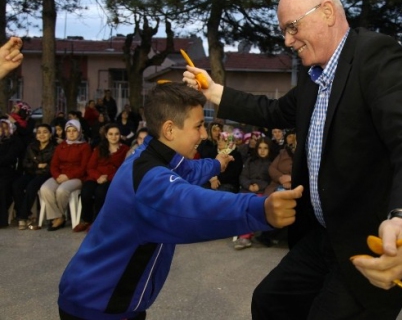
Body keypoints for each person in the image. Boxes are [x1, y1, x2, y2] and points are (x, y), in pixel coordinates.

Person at [184, 0, 402, 319]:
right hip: (326, 236)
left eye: (292, 27)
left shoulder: (376, 56)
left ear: (326, 12)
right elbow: (271, 111)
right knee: (269, 302)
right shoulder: (314, 78)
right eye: (283, 31)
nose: (287, 40)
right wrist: (213, 90)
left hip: (376, 240)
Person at [57, 82, 303, 320]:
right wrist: (260, 209)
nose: (204, 134)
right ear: (170, 130)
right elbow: (196, 207)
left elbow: (188, 170)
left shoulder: (150, 155)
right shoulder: (150, 180)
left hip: (103, 299)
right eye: (198, 126)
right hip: (99, 306)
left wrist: (217, 162)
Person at [74, 123, 129, 232]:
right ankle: (86, 219)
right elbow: (90, 167)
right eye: (111, 134)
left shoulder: (125, 150)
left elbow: (124, 169)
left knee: (100, 193)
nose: (114, 137)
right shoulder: (99, 149)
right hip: (96, 177)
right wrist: (98, 177)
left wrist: (108, 178)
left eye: (116, 134)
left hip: (113, 179)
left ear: (120, 135)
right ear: (106, 135)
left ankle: (97, 221)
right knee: (86, 191)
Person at [40, 119, 92, 231]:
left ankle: (58, 218)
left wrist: (68, 176)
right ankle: (58, 216)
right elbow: (54, 165)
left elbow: (84, 167)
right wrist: (57, 175)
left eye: (74, 130)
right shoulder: (61, 146)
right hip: (59, 175)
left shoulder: (85, 147)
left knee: (62, 191)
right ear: (65, 132)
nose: (71, 133)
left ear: (79, 132)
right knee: (45, 189)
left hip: (77, 177)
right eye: (69, 131)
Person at [12, 123, 56, 230]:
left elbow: (53, 165)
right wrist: (37, 165)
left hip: (45, 175)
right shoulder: (31, 146)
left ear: (50, 134)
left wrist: (43, 167)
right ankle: (28, 214)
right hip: (31, 172)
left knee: (32, 186)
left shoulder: (55, 148)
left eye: (45, 132)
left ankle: (23, 217)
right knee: (16, 186)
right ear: (36, 135)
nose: (42, 135)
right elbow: (25, 163)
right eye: (39, 132)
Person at [236, 137, 275, 249]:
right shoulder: (250, 161)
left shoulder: (271, 163)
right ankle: (243, 234)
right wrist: (249, 185)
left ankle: (244, 237)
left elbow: (270, 180)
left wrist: (259, 186)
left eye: (265, 148)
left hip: (262, 191)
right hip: (247, 189)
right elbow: (243, 176)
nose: (262, 151)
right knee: (240, 204)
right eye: (260, 148)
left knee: (252, 206)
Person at [0, 118, 25, 227]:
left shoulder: (15, 141)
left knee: (2, 187)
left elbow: (10, 158)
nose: (2, 131)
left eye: (5, 128)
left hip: (9, 172)